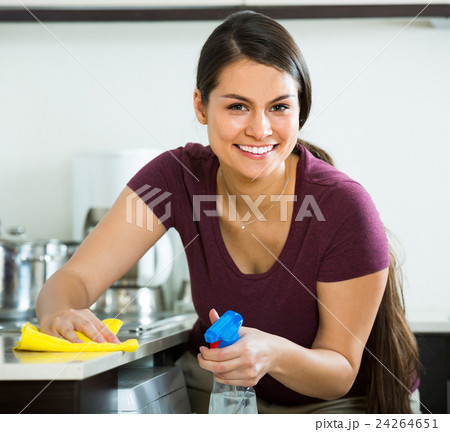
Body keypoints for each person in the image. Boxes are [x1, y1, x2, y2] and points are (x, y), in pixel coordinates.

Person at [36, 10, 420, 414]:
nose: (260, 129)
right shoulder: (175, 178)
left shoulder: (343, 206)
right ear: (201, 107)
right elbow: (74, 278)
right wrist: (60, 312)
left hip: (338, 404)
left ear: (300, 109)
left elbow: (339, 371)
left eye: (279, 107)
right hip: (231, 395)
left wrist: (273, 353)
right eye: (238, 106)